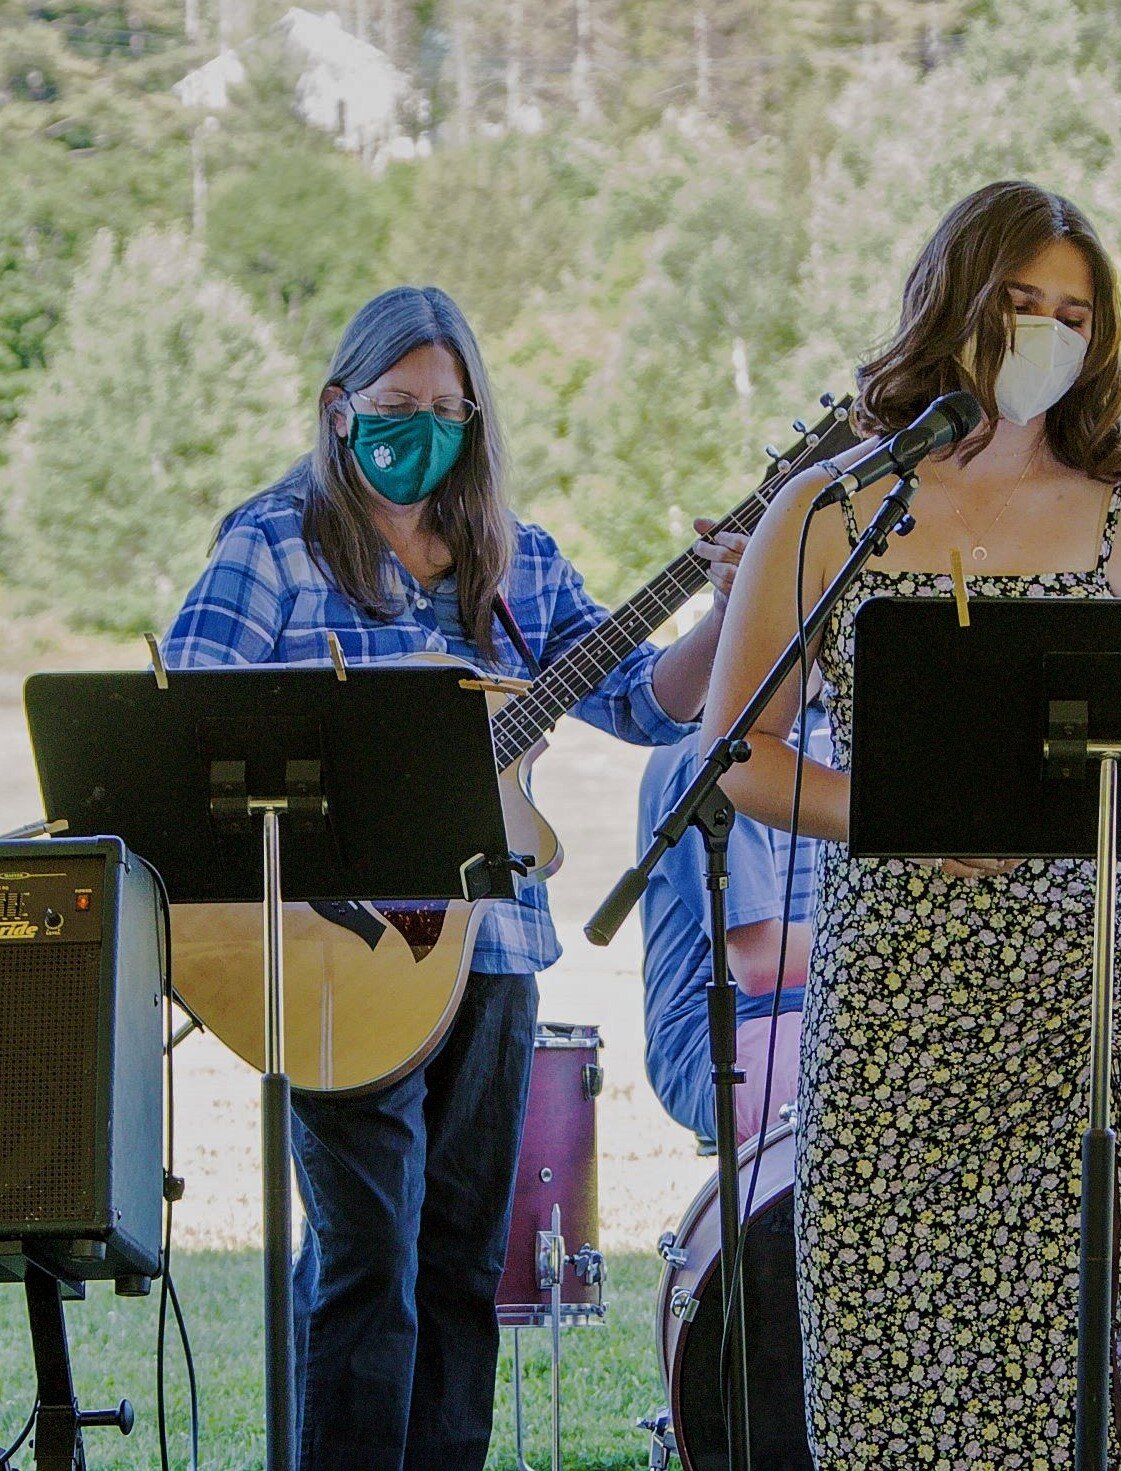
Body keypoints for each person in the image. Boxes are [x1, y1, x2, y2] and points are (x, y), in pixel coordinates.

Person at [161, 285, 743, 1471]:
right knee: (367, 1255)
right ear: (337, 408)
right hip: (333, 958)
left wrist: (725, 605)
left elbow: (643, 700)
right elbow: (190, 721)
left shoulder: (516, 562)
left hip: (490, 956)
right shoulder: (271, 540)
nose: (419, 427)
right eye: (394, 404)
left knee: (463, 1261)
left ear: (475, 422)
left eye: (446, 408)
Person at [702, 179, 1121, 1467]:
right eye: (1019, 302)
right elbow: (736, 755)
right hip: (890, 992)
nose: (1047, 331)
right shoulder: (830, 509)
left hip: (1075, 986)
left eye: (1074, 314)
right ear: (952, 300)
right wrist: (910, 818)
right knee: (884, 1356)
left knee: (1060, 1363)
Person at [635, 707, 832, 1150]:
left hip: (828, 1010)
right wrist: (903, 943)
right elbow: (758, 962)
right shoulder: (706, 756)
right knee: (878, 1077)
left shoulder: (839, 737)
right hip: (721, 1033)